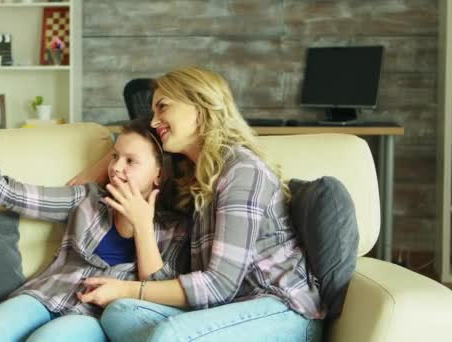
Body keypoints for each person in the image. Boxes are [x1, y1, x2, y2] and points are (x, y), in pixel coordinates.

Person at [70, 66, 325, 341]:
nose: (155, 122)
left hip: (279, 309)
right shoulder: (194, 178)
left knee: (168, 334)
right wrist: (123, 154)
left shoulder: (242, 171)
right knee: (120, 313)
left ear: (199, 105)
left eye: (162, 108)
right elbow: (76, 190)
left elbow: (219, 285)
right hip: (221, 310)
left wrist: (126, 288)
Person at [0, 113, 189, 342]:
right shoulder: (87, 198)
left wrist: (142, 225)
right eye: (114, 157)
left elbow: (152, 294)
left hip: (92, 317)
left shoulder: (176, 229)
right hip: (45, 294)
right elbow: (9, 192)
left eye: (131, 161)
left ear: (158, 175)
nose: (116, 168)